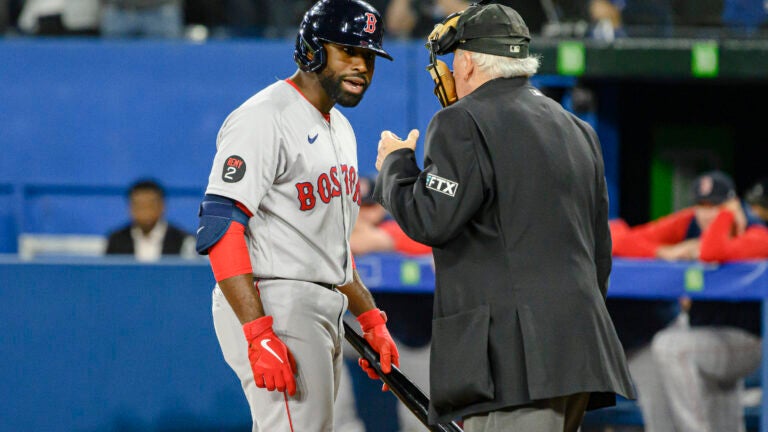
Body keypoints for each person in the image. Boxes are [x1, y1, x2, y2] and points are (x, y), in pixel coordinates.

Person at [371, 3, 635, 430]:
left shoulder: (462, 121)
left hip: (514, 365)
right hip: (578, 353)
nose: (453, 72)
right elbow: (598, 257)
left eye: (455, 61)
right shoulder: (577, 129)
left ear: (470, 62)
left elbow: (430, 218)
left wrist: (396, 167)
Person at [194, 1, 400, 431]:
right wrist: (257, 332)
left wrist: (369, 316)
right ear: (312, 50)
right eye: (348, 51)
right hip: (277, 301)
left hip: (320, 304)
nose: (362, 66)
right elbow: (220, 225)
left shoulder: (340, 128)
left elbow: (331, 248)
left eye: (369, 56)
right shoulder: (264, 117)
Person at [609, 170, 766, 432]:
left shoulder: (758, 233)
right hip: (705, 336)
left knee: (671, 346)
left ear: (733, 203)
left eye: (716, 205)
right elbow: (619, 239)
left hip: (747, 343)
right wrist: (664, 251)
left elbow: (712, 252)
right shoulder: (690, 221)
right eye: (702, 206)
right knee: (722, 421)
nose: (707, 214)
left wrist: (726, 217)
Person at [105, 178, 195, 261]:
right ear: (130, 208)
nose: (145, 211)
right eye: (139, 205)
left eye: (150, 205)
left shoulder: (183, 240)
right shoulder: (116, 241)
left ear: (162, 206)